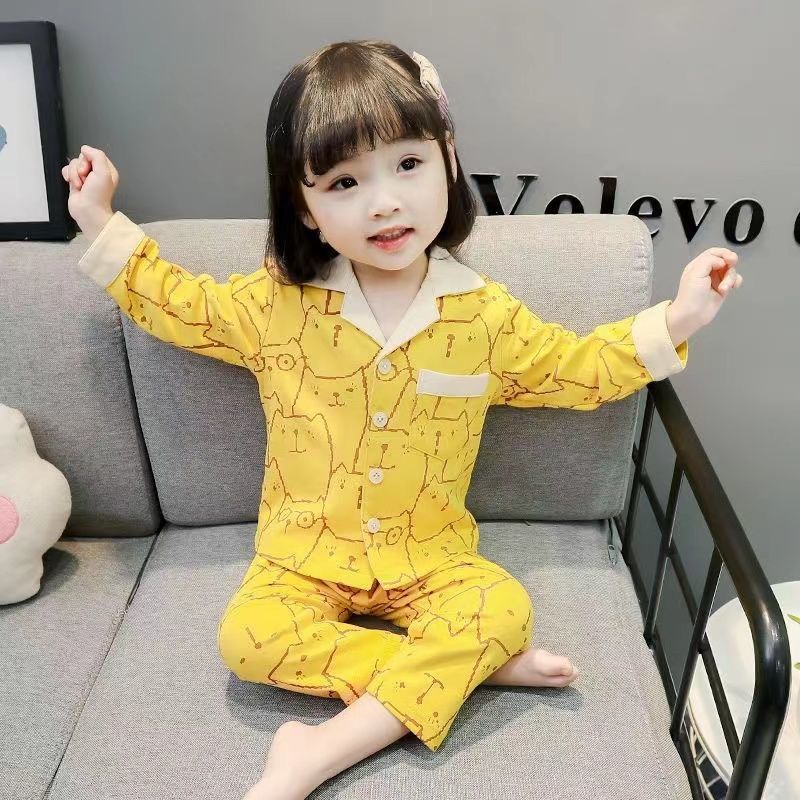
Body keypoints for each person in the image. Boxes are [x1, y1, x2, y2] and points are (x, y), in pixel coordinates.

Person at [63, 39, 742, 800]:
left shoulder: (483, 315)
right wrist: (99, 219)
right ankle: (463, 669)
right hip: (301, 558)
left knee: (502, 606)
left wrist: (678, 319)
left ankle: (314, 755)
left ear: (448, 161)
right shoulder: (274, 303)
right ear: (305, 208)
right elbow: (177, 304)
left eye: (408, 164)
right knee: (246, 640)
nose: (383, 202)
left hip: (431, 559)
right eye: (345, 182)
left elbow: (573, 367)